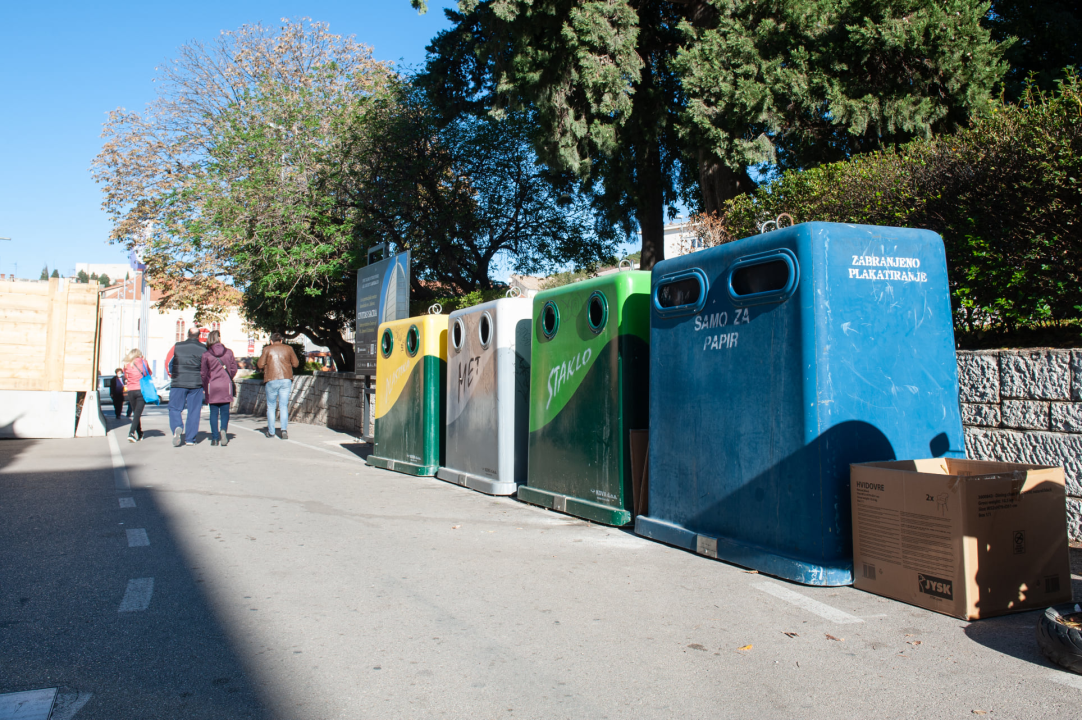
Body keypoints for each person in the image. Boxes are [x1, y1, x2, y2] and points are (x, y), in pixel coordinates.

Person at [169, 328, 207, 446]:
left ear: (187, 334)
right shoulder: (204, 349)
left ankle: (177, 427)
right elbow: (206, 368)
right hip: (196, 383)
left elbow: (170, 364)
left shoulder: (177, 346)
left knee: (175, 408)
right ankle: (190, 439)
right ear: (199, 336)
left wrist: (173, 375)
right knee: (194, 411)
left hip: (178, 382)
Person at [257, 332, 299, 439]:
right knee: (283, 406)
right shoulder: (289, 348)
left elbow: (260, 364)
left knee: (271, 406)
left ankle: (271, 432)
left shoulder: (267, 349)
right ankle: (284, 430)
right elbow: (296, 364)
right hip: (286, 379)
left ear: (271, 341)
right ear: (281, 340)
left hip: (271, 379)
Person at [200, 330, 238, 447]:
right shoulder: (228, 353)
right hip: (225, 385)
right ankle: (223, 430)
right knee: (225, 411)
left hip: (213, 386)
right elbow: (233, 368)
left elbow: (203, 373)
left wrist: (205, 385)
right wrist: (228, 377)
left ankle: (215, 438)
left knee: (213, 413)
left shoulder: (206, 354)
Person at [122, 350, 151, 443]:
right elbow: (149, 373)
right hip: (141, 390)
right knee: (137, 413)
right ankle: (131, 433)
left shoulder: (127, 364)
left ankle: (140, 433)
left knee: (136, 413)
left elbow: (125, 376)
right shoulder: (143, 362)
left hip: (131, 391)